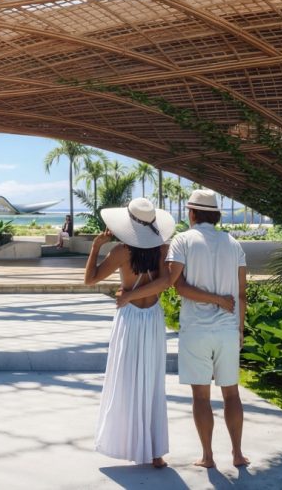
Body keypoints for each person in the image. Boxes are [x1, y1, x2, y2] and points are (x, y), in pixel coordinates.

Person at [120, 189, 245, 469]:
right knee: (232, 394)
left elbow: (177, 285)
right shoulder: (234, 244)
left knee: (201, 396)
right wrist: (239, 328)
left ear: (192, 213)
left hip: (196, 330)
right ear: (216, 215)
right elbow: (241, 294)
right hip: (227, 328)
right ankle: (237, 454)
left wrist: (130, 294)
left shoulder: (183, 240)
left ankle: (208, 457)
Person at [84, 197, 176, 468]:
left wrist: (95, 247)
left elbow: (90, 279)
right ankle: (155, 452)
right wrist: (132, 294)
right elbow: (165, 282)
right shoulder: (162, 249)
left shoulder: (121, 252)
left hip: (131, 318)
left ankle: (131, 444)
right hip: (153, 317)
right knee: (153, 381)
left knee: (126, 380)